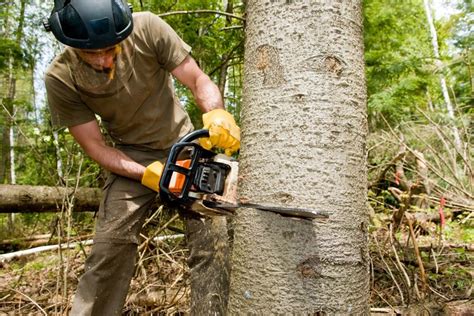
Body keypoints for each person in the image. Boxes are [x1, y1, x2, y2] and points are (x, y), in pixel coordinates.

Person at [43, 0, 240, 315]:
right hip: (128, 157)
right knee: (110, 244)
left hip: (184, 144)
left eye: (110, 48)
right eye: (92, 53)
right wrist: (145, 173)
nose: (104, 59)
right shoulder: (61, 77)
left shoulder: (147, 28)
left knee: (212, 242)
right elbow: (95, 146)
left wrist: (216, 112)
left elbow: (197, 80)